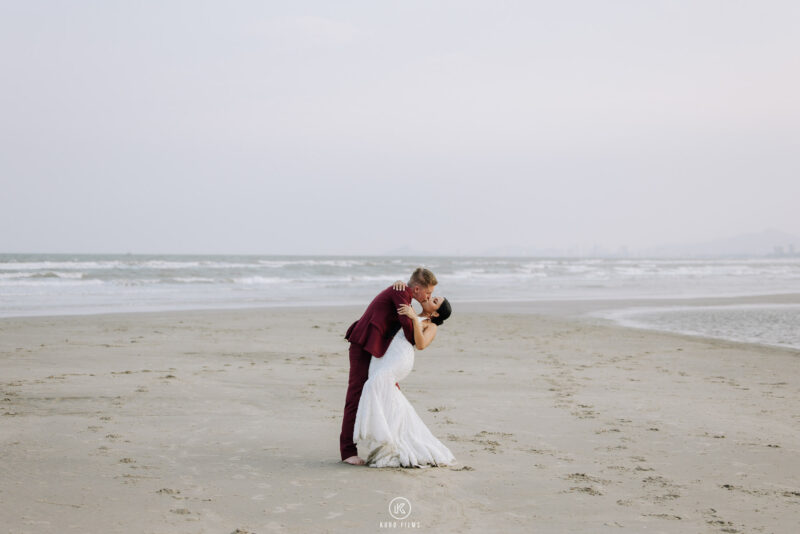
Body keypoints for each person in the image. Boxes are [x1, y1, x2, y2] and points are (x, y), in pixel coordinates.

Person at [339, 267, 437, 465]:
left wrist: (413, 316)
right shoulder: (401, 292)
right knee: (356, 394)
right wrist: (411, 316)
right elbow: (409, 333)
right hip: (364, 344)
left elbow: (412, 332)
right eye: (428, 292)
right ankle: (348, 451)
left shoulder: (404, 295)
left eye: (433, 296)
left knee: (390, 396)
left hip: (380, 352)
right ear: (417, 289)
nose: (429, 296)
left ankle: (391, 442)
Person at [353, 292, 454, 467]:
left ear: (436, 313)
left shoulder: (431, 325)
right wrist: (400, 284)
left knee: (374, 385)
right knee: (387, 395)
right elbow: (399, 296)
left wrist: (415, 319)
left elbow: (421, 344)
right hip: (385, 354)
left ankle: (384, 437)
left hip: (401, 357)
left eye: (435, 301)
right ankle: (391, 439)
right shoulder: (410, 307)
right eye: (432, 296)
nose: (431, 298)